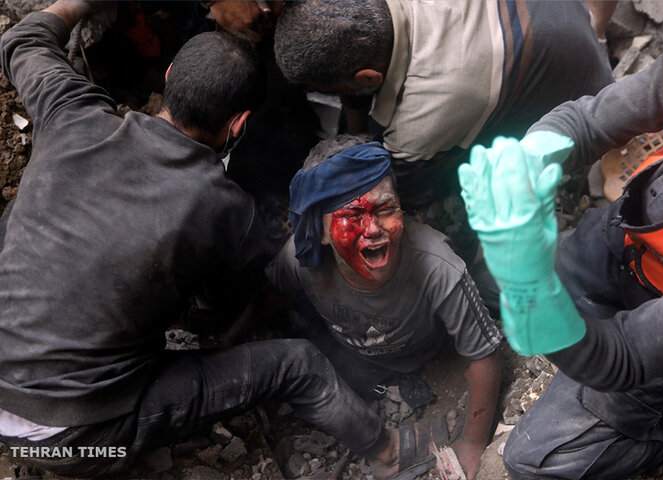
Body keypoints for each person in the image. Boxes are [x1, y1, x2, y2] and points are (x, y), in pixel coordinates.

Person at [0, 2, 403, 477]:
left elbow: (20, 41)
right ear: (240, 124)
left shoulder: (72, 113)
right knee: (299, 364)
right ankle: (389, 449)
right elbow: (276, 269)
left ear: (170, 75)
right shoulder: (223, 206)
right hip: (74, 441)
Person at [458, 14, 663, 480]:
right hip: (626, 241)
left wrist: (536, 295)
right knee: (481, 284)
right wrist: (534, 153)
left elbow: (623, 355)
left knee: (536, 460)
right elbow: (588, 121)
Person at [273, 0, 615, 317]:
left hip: (581, 103)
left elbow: (408, 184)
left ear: (368, 78)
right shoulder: (381, 21)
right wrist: (354, 112)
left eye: (336, 92)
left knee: (433, 207)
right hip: (563, 21)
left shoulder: (426, 116)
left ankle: (560, 198)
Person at [264, 134, 503, 479]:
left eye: (386, 209)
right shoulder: (301, 261)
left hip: (423, 353)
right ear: (320, 232)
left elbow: (484, 352)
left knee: (493, 284)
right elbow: (272, 296)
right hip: (353, 358)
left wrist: (473, 441)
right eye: (352, 216)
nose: (373, 229)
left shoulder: (438, 266)